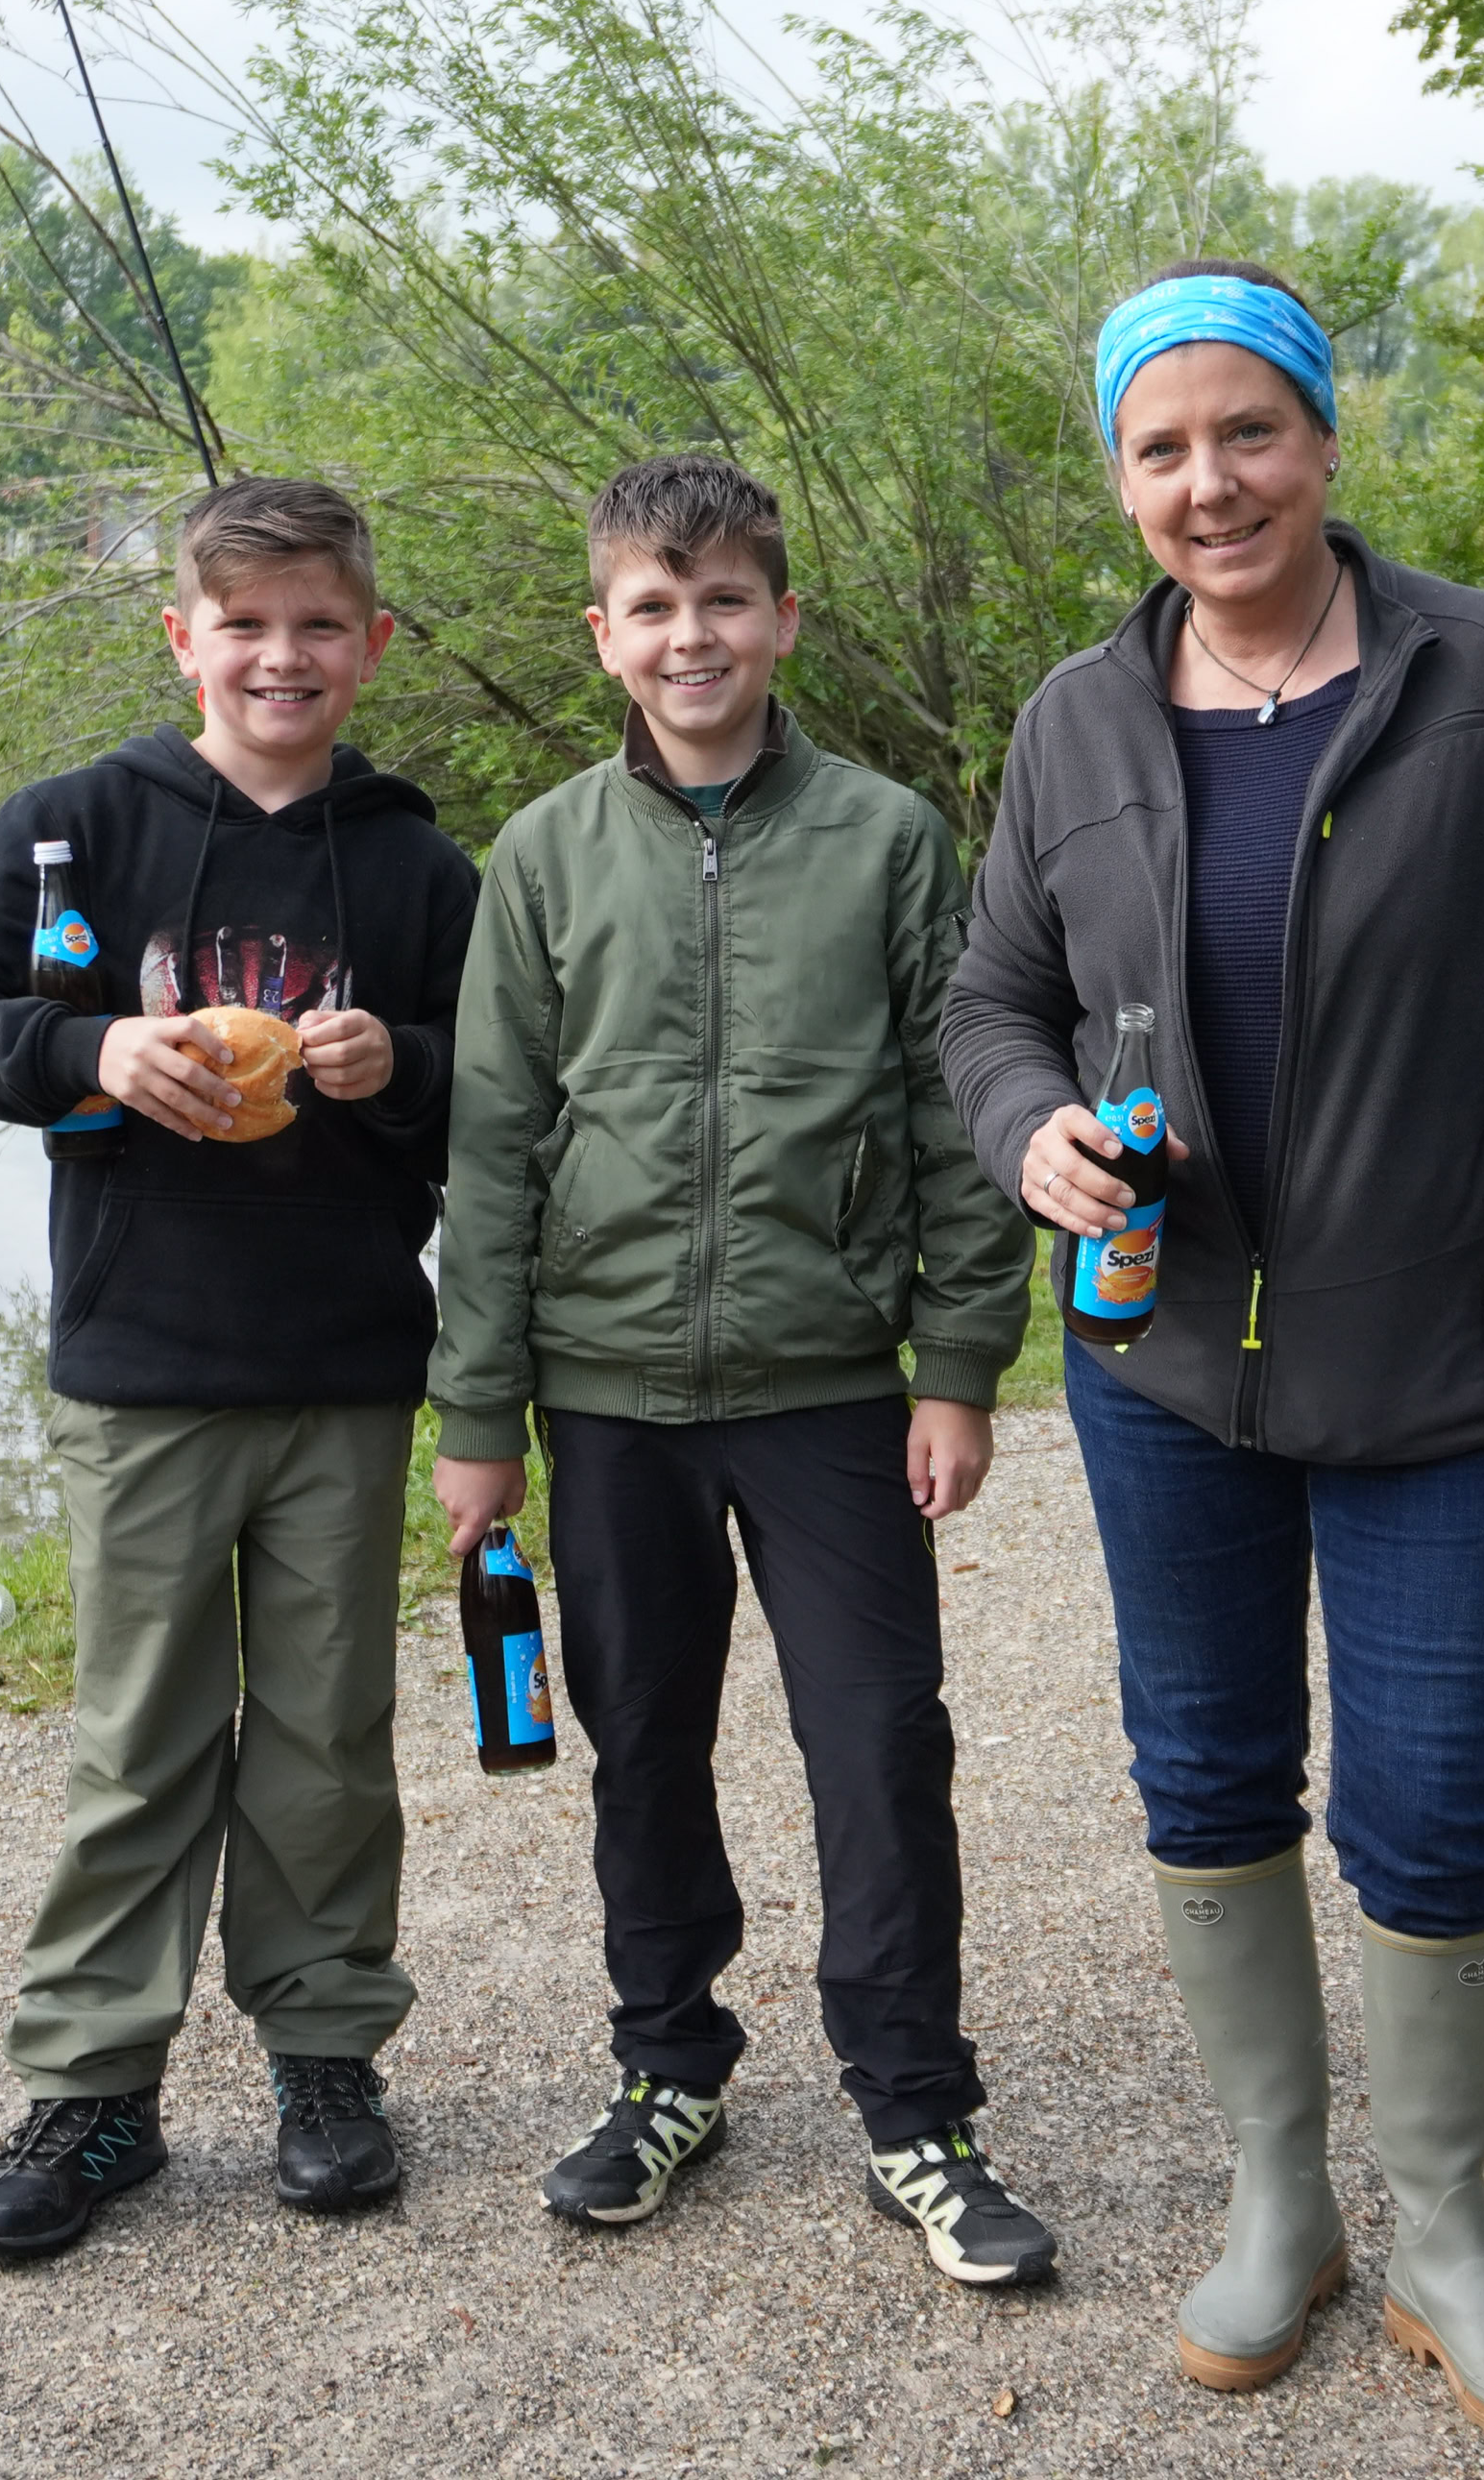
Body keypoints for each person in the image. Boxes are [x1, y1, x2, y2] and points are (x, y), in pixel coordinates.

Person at [937, 263, 1484, 2454]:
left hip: (1447, 1374)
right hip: (1160, 1364)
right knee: (1205, 1780)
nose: (1211, 482)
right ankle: (1283, 2196)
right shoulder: (1075, 720)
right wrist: (1027, 1127)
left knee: (1434, 1805)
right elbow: (991, 1000)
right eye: (1161, 447)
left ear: (1322, 442)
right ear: (1122, 478)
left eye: (1246, 431)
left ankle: (1444, 2228)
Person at [426, 454, 1054, 2284]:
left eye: (724, 600)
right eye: (654, 604)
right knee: (642, 1741)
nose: (690, 634)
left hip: (832, 1386)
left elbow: (956, 1116)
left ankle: (917, 2106)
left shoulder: (888, 838)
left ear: (783, 617)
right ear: (603, 634)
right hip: (606, 1391)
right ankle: (668, 2062)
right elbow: (491, 1147)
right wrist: (479, 1415)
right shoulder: (543, 856)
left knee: (880, 1738)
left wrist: (958, 1362)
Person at [0, 475, 481, 2257]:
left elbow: (507, 1083)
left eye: (318, 626)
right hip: (143, 1366)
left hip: (347, 1367)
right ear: (182, 639)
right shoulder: (72, 829)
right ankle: (94, 2088)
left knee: (325, 1738)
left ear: (372, 644)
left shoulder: (418, 865)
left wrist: (402, 1065)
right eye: (244, 627)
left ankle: (326, 2055)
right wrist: (93, 1051)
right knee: (140, 1737)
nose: (280, 658)